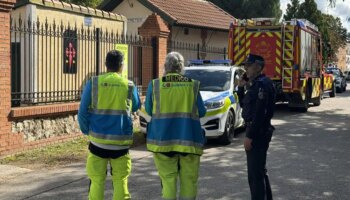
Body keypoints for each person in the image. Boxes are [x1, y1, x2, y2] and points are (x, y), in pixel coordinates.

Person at [78, 50, 141, 200]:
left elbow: (82, 112)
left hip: (97, 142)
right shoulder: (129, 85)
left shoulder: (93, 83)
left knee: (97, 181)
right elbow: (136, 106)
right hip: (121, 143)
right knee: (120, 181)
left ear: (106, 65)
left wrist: (88, 130)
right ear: (122, 66)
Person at [144, 52, 206, 200]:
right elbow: (202, 112)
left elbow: (148, 110)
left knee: (168, 181)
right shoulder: (193, 85)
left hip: (163, 141)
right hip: (189, 142)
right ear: (181, 67)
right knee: (189, 181)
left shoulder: (155, 85)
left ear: (165, 66)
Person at [237, 54, 276, 200]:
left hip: (258, 132)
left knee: (255, 175)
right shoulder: (255, 84)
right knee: (259, 171)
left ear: (258, 67)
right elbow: (245, 106)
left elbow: (261, 114)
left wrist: (250, 136)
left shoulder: (262, 85)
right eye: (245, 65)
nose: (245, 68)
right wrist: (241, 88)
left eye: (249, 65)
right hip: (256, 131)